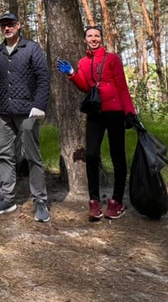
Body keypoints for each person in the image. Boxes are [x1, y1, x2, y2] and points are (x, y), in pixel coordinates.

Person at [57, 26, 138, 221]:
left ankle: (117, 200)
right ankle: (94, 202)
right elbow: (86, 87)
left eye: (97, 36)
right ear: (85, 39)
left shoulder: (112, 59)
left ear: (102, 38)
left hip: (116, 112)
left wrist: (130, 111)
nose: (93, 39)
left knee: (117, 156)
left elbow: (122, 86)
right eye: (90, 36)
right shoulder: (84, 62)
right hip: (96, 113)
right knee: (92, 155)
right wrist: (72, 74)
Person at [0, 12, 52, 222]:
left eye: (10, 24)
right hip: (4, 112)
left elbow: (43, 77)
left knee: (33, 156)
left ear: (18, 25)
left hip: (28, 111)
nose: (7, 28)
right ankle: (7, 197)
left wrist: (39, 105)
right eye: (3, 25)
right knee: (5, 155)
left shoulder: (31, 48)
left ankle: (40, 200)